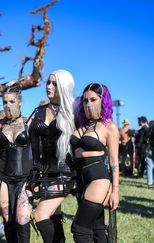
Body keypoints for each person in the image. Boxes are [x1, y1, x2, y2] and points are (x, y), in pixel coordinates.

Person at [28, 69, 75, 243]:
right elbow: (33, 147)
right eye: (48, 82)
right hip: (44, 172)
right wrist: (34, 174)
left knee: (40, 215)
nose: (49, 86)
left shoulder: (72, 111)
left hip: (65, 170)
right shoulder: (39, 111)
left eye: (54, 83)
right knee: (54, 215)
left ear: (63, 86)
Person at [70, 83, 119, 242]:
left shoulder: (109, 126)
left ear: (103, 101)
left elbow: (113, 162)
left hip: (99, 179)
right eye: (85, 100)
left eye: (93, 99)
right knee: (97, 229)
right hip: (81, 179)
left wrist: (115, 191)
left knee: (80, 228)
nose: (88, 104)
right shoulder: (82, 124)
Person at [0, 84, 33, 243]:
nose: (7, 105)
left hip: (24, 178)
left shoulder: (28, 123)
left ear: (19, 102)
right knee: (8, 219)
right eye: (4, 102)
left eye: (11, 101)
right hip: (2, 177)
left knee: (22, 220)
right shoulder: (0, 126)